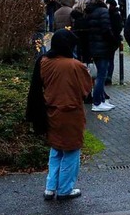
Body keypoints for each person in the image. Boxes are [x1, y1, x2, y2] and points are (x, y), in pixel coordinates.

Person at [26, 29, 93, 201]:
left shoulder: (44, 61)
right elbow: (85, 91)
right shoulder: (75, 65)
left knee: (55, 150)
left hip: (51, 112)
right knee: (71, 152)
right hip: (71, 114)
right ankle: (64, 189)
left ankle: (50, 187)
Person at [84, 0, 117, 112]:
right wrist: (113, 41)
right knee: (101, 75)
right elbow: (106, 29)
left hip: (93, 46)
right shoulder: (103, 11)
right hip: (102, 47)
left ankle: (102, 101)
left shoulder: (89, 11)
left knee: (100, 74)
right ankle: (97, 102)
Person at [105, 0, 123, 86]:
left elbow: (118, 27)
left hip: (111, 40)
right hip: (113, 40)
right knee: (110, 59)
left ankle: (108, 76)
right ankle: (108, 76)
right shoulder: (115, 14)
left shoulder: (113, 14)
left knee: (109, 59)